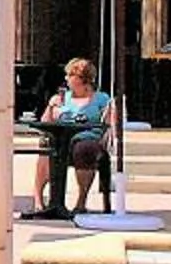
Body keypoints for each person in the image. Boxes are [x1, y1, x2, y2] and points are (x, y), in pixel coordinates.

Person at [31, 58, 112, 210]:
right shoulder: (62, 97)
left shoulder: (102, 99)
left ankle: (81, 201)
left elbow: (109, 123)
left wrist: (109, 126)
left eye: (69, 75)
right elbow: (45, 123)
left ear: (80, 78)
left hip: (87, 138)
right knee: (48, 147)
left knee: (85, 149)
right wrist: (50, 106)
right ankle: (38, 199)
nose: (66, 79)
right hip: (62, 139)